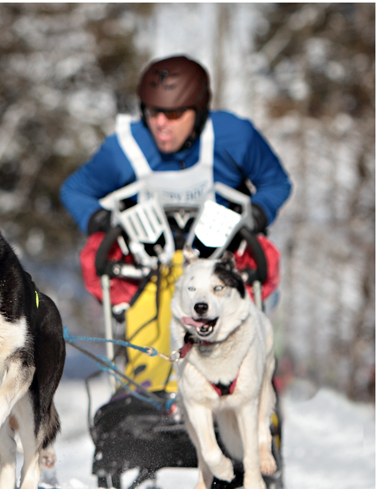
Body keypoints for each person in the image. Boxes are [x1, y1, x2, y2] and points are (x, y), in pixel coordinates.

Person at [60, 55, 292, 394]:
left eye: (173, 113)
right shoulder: (124, 147)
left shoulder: (235, 135)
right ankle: (152, 404)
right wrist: (99, 219)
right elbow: (75, 190)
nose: (161, 124)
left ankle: (238, 399)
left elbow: (276, 182)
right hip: (148, 270)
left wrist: (258, 212)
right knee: (155, 341)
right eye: (153, 112)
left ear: (198, 111)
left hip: (223, 267)